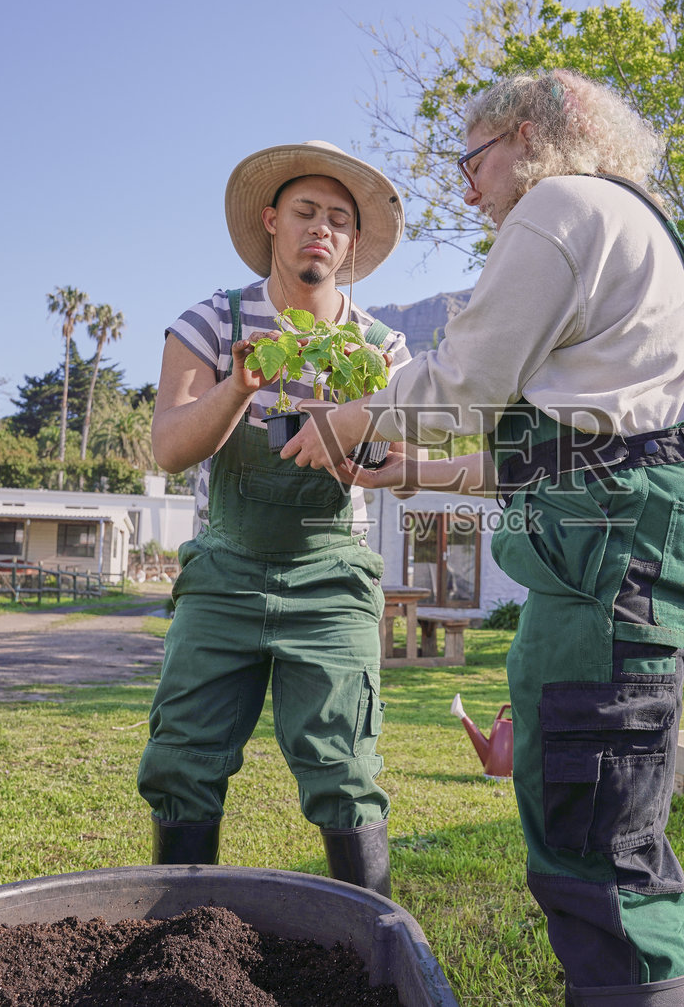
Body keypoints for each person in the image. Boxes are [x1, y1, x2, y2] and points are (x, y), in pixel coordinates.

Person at [283, 71, 684, 1006]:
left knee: (604, 860)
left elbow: (461, 386)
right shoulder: (631, 233)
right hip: (616, 540)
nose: (467, 185)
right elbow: (569, 441)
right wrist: (412, 470)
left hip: (617, 550)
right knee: (582, 798)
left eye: (473, 159)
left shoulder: (561, 205)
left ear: (528, 137)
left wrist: (347, 418)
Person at [139, 140, 409, 896]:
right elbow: (168, 446)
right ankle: (180, 941)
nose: (321, 227)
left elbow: (404, 460)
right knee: (184, 758)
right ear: (271, 221)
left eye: (337, 218)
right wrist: (238, 386)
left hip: (330, 579)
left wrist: (368, 448)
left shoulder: (381, 347)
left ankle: (376, 945)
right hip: (222, 571)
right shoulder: (211, 321)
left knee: (344, 764)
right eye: (305, 211)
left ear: (352, 243)